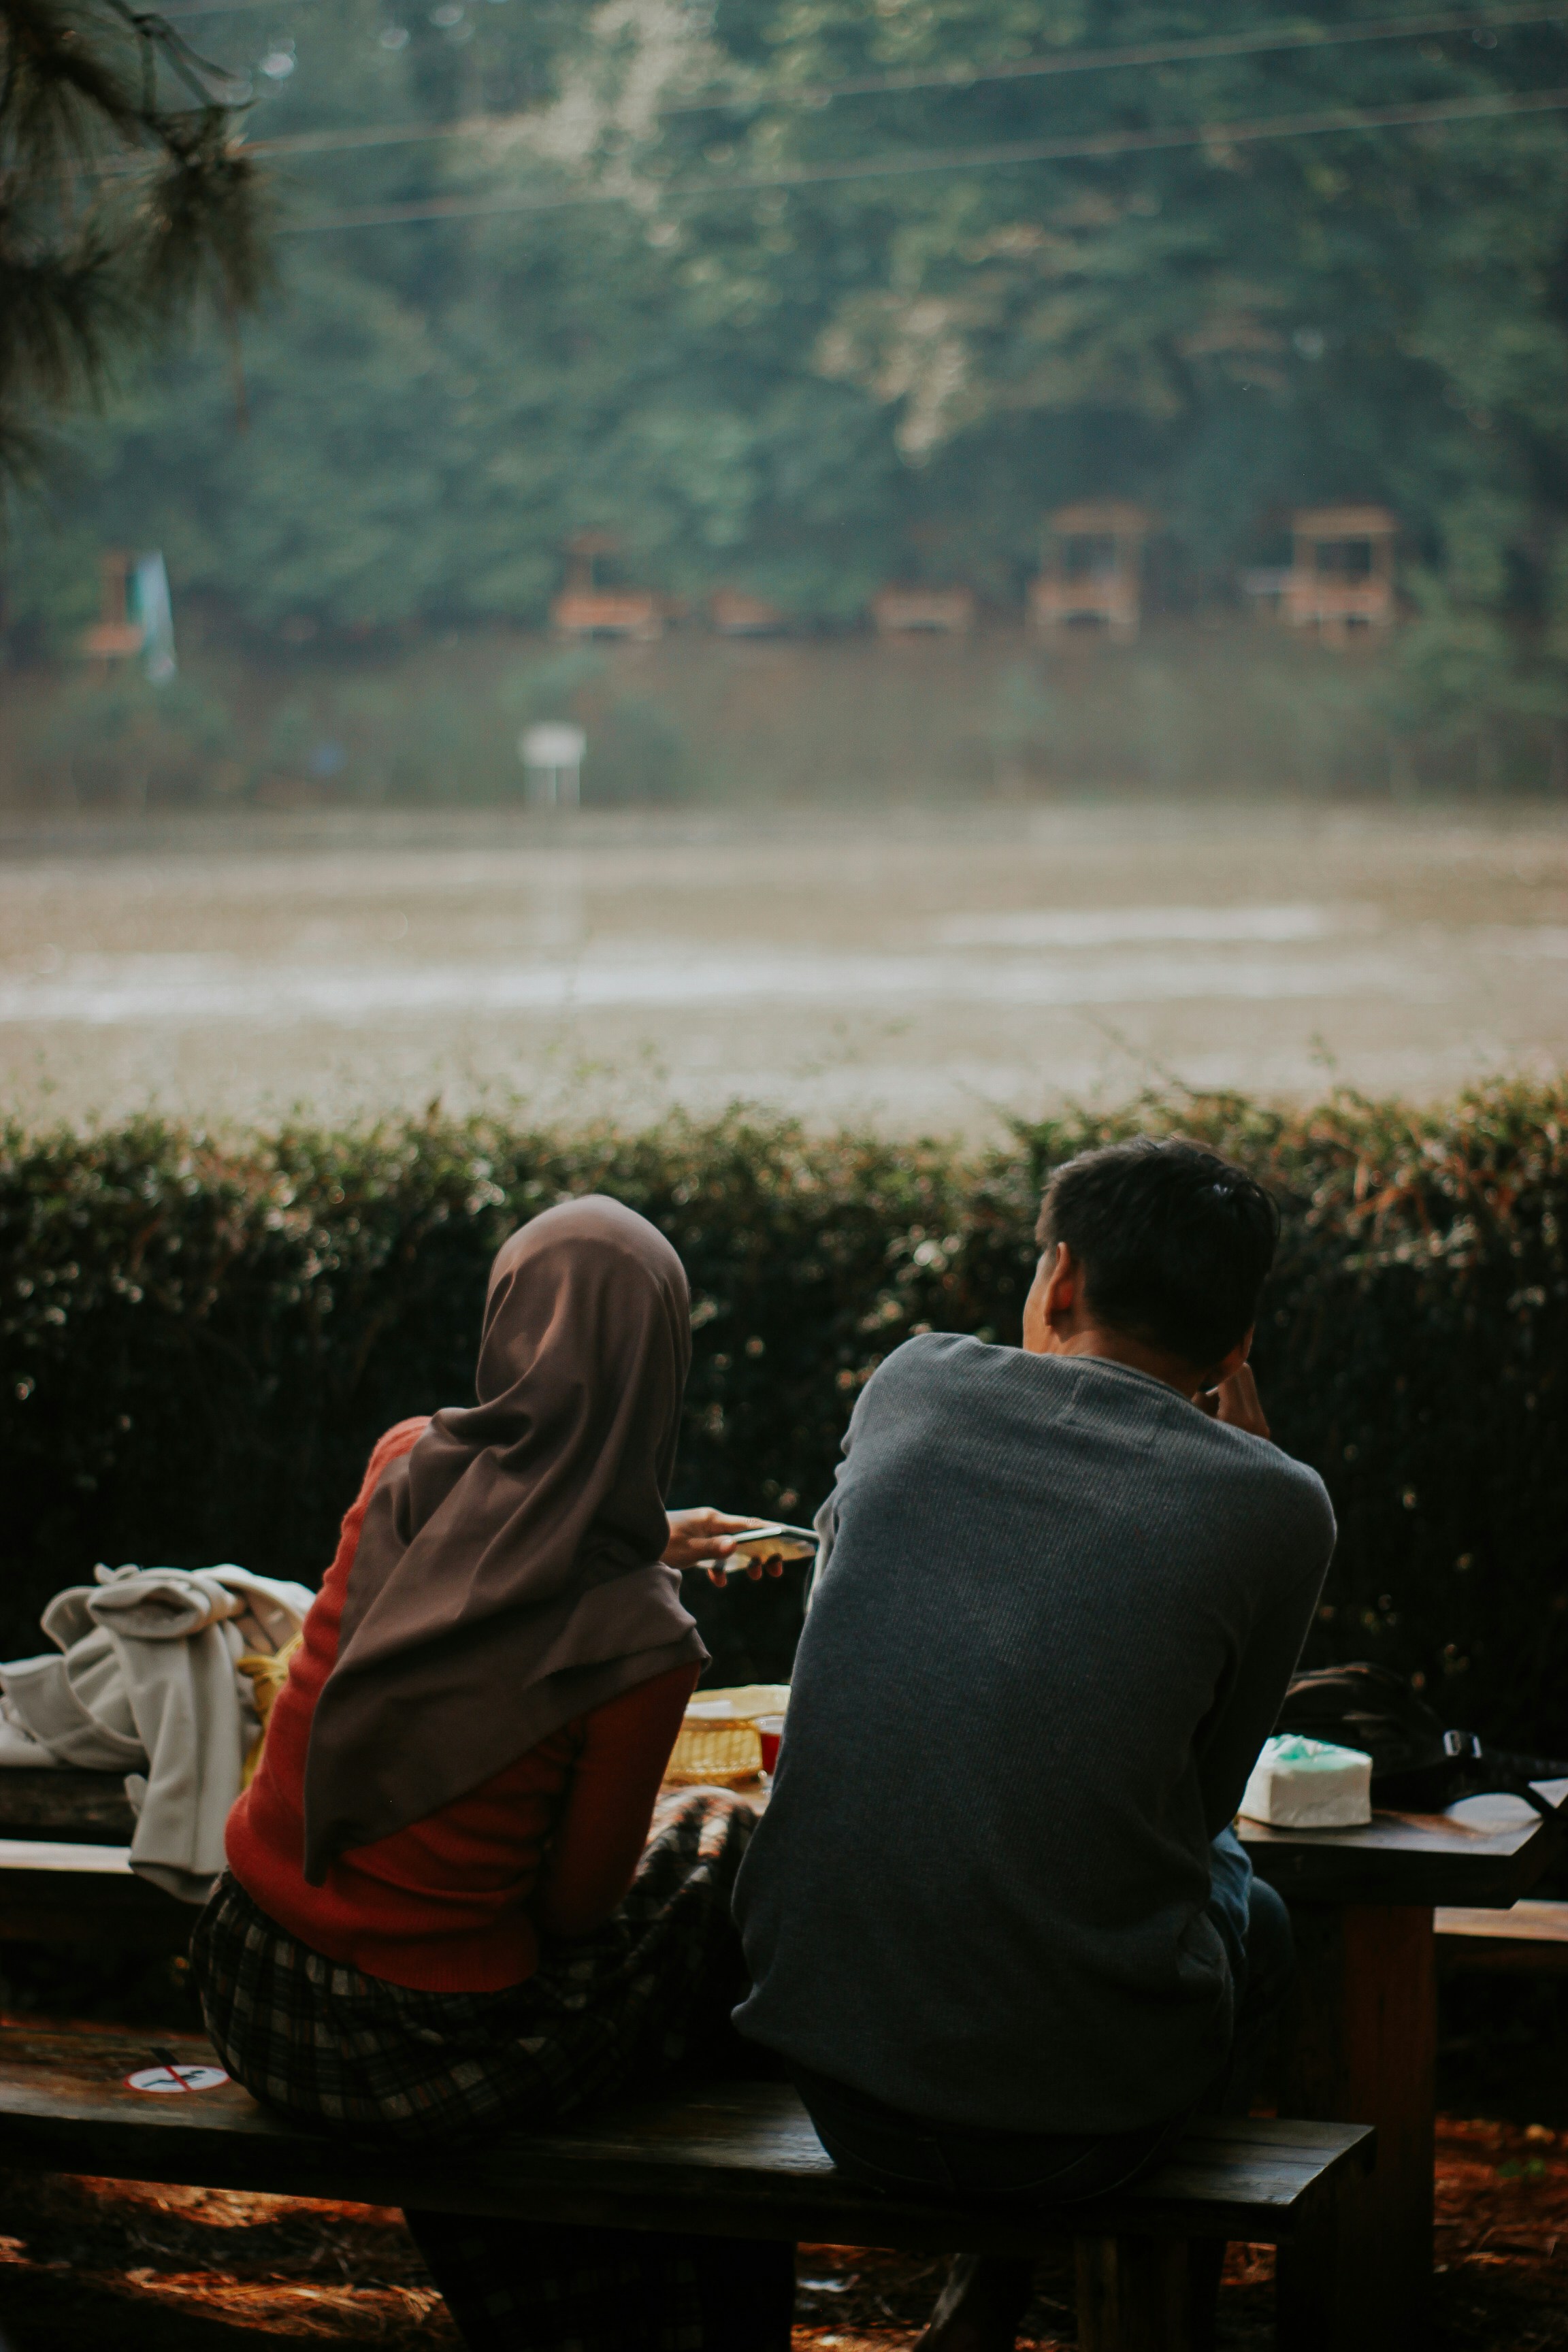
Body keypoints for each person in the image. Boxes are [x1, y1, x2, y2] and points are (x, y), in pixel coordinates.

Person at [731, 1139, 1337, 2352]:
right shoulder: (1277, 1503)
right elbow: (1203, 1803)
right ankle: (1162, 2314)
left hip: (841, 2081)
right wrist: (1255, 1459)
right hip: (1087, 2126)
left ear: (1057, 1281)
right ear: (1239, 1338)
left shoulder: (911, 1385)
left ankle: (988, 2295)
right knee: (1253, 1916)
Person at [191, 1193, 793, 2352]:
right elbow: (573, 1913)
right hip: (410, 2057)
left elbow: (488, 1560)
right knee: (723, 1852)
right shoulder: (641, 1639)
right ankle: (690, 2305)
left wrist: (638, 1531)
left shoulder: (403, 1465)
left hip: (247, 1976)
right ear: (660, 1363)